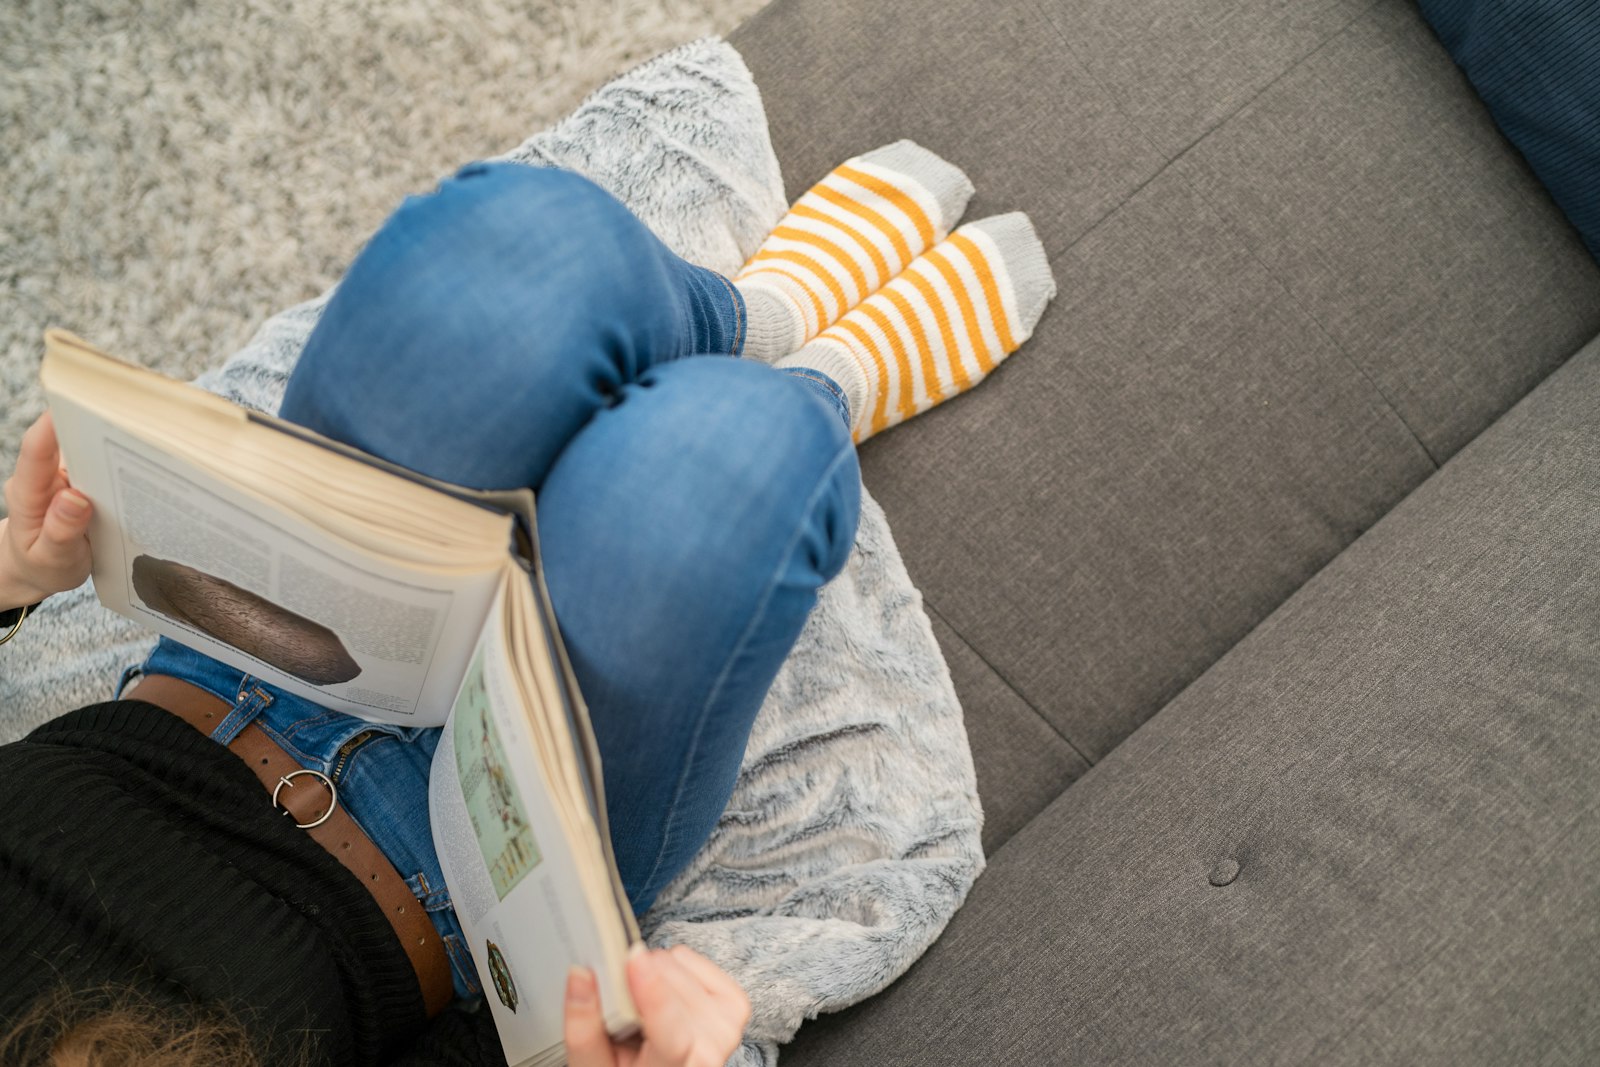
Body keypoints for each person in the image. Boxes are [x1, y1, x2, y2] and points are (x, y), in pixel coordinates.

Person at [0, 150, 1053, 1066]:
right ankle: (832, 378)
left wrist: (12, 582)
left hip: (228, 644)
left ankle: (755, 314)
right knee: (724, 469)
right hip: (468, 867)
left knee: (508, 245)